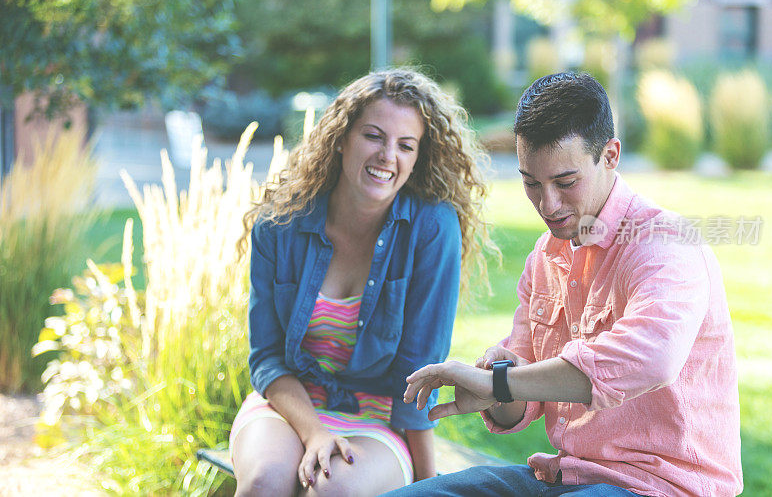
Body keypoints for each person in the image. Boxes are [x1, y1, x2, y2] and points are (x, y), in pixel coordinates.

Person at [387, 72, 744, 496]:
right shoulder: (545, 255)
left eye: (566, 182)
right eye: (531, 183)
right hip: (565, 478)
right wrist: (494, 387)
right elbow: (522, 398)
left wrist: (503, 383)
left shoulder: (665, 243)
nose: (547, 204)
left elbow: (652, 358)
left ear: (610, 155)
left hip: (661, 487)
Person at [230, 68, 495, 496]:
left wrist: (429, 484)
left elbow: (419, 368)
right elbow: (266, 357)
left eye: (405, 145)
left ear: (417, 157)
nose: (388, 155)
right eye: (374, 136)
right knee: (265, 482)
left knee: (335, 488)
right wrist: (313, 432)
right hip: (289, 407)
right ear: (342, 138)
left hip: (378, 419)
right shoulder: (279, 225)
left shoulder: (431, 228)